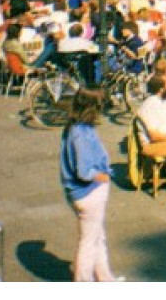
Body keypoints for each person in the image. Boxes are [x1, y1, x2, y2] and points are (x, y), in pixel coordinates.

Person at [60, 88, 122, 282]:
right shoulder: (82, 133)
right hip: (89, 192)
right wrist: (102, 177)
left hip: (81, 192)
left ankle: (105, 278)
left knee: (97, 237)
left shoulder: (74, 127)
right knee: (89, 242)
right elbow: (84, 171)